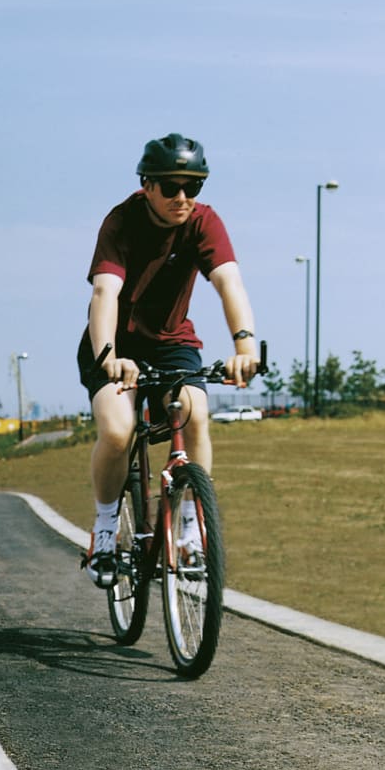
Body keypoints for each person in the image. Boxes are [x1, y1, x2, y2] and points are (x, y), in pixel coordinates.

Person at [77, 133, 260, 586]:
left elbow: (229, 283)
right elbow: (105, 292)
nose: (182, 198)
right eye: (171, 187)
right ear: (147, 184)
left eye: (193, 187)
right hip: (113, 343)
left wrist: (245, 347)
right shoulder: (121, 222)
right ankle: (104, 528)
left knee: (194, 416)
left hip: (171, 341)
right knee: (119, 431)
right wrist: (110, 357)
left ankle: (190, 529)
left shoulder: (203, 222)